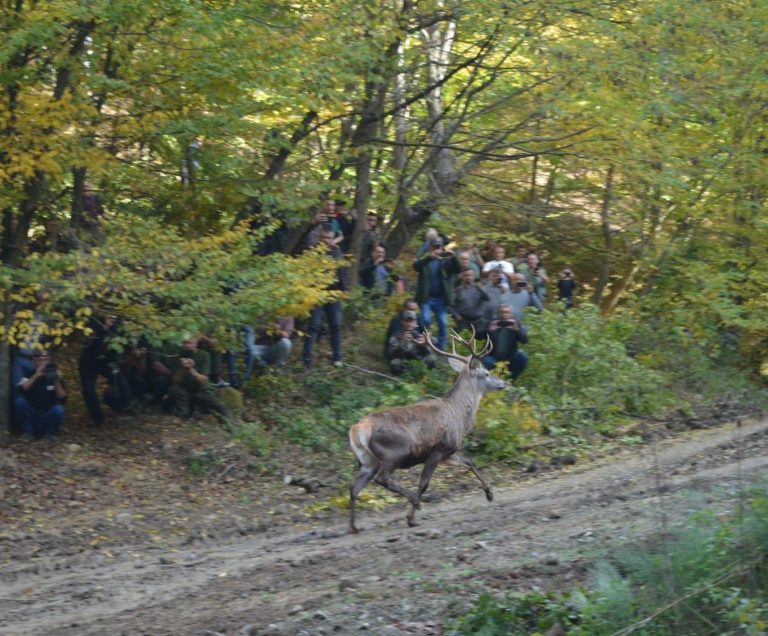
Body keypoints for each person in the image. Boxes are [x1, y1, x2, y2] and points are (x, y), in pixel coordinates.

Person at [303, 228, 348, 369]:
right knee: (313, 326)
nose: (326, 241)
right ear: (319, 238)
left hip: (333, 294)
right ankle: (307, 359)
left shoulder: (337, 252)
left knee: (335, 326)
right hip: (317, 294)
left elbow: (342, 271)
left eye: (328, 238)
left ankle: (337, 358)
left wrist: (343, 290)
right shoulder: (313, 252)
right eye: (323, 238)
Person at [79, 313, 133, 427]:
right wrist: (103, 328)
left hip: (107, 360)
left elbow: (125, 344)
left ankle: (126, 408)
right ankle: (96, 417)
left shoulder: (119, 323)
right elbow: (88, 343)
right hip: (89, 360)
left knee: (119, 377)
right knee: (89, 389)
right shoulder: (91, 321)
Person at [164, 336, 229, 420]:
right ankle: (184, 414)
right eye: (184, 342)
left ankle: (229, 424)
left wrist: (191, 369)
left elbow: (203, 380)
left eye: (189, 343)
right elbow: (175, 381)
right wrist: (182, 369)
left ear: (196, 344)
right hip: (184, 391)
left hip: (200, 390)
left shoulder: (204, 355)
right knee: (174, 389)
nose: (187, 345)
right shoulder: (176, 355)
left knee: (218, 405)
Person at [413, 237, 461, 350]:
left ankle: (441, 350)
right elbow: (416, 266)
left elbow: (458, 270)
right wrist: (429, 258)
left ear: (442, 247)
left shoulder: (446, 261)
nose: (437, 249)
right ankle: (423, 345)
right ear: (430, 247)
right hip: (427, 298)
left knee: (443, 323)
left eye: (439, 246)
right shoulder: (425, 259)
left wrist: (453, 258)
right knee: (425, 320)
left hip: (441, 299)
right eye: (435, 246)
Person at [13, 350, 66, 440]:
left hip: (47, 415)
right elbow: (21, 390)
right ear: (33, 360)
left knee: (59, 409)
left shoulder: (55, 374)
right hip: (32, 415)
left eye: (45, 357)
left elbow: (63, 397)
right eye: (37, 357)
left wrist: (56, 382)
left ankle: (49, 435)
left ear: (49, 360)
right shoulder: (28, 373)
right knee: (19, 402)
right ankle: (28, 433)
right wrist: (36, 375)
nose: (41, 358)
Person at [482, 305, 529, 380]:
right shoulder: (492, 323)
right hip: (492, 358)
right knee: (486, 361)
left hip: (509, 359)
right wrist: (488, 331)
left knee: (523, 356)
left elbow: (525, 340)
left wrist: (517, 331)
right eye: (502, 312)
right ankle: (494, 380)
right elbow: (478, 336)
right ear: (498, 313)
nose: (504, 314)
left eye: (507, 312)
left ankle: (510, 380)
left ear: (511, 314)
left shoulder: (515, 324)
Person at [385, 310, 436, 375]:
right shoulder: (396, 336)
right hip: (404, 365)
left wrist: (425, 345)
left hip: (417, 365)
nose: (409, 323)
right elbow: (391, 354)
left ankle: (426, 378)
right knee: (395, 363)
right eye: (407, 321)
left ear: (415, 323)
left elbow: (427, 354)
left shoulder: (419, 336)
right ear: (402, 322)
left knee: (432, 359)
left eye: (411, 321)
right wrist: (402, 344)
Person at [452, 268, 491, 337]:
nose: (468, 277)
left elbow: (487, 298)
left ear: (474, 276)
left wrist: (481, 289)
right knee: (462, 341)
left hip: (478, 321)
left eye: (470, 275)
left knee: (480, 342)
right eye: (466, 275)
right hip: (463, 321)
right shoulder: (458, 290)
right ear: (463, 277)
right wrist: (456, 315)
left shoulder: (479, 288)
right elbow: (451, 305)